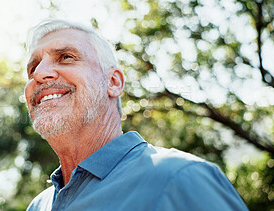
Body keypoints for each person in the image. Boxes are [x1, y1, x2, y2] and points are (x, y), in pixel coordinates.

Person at [24, 19, 248, 211]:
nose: (40, 74)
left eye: (66, 57)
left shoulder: (180, 179)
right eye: (32, 69)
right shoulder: (37, 206)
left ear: (113, 82)